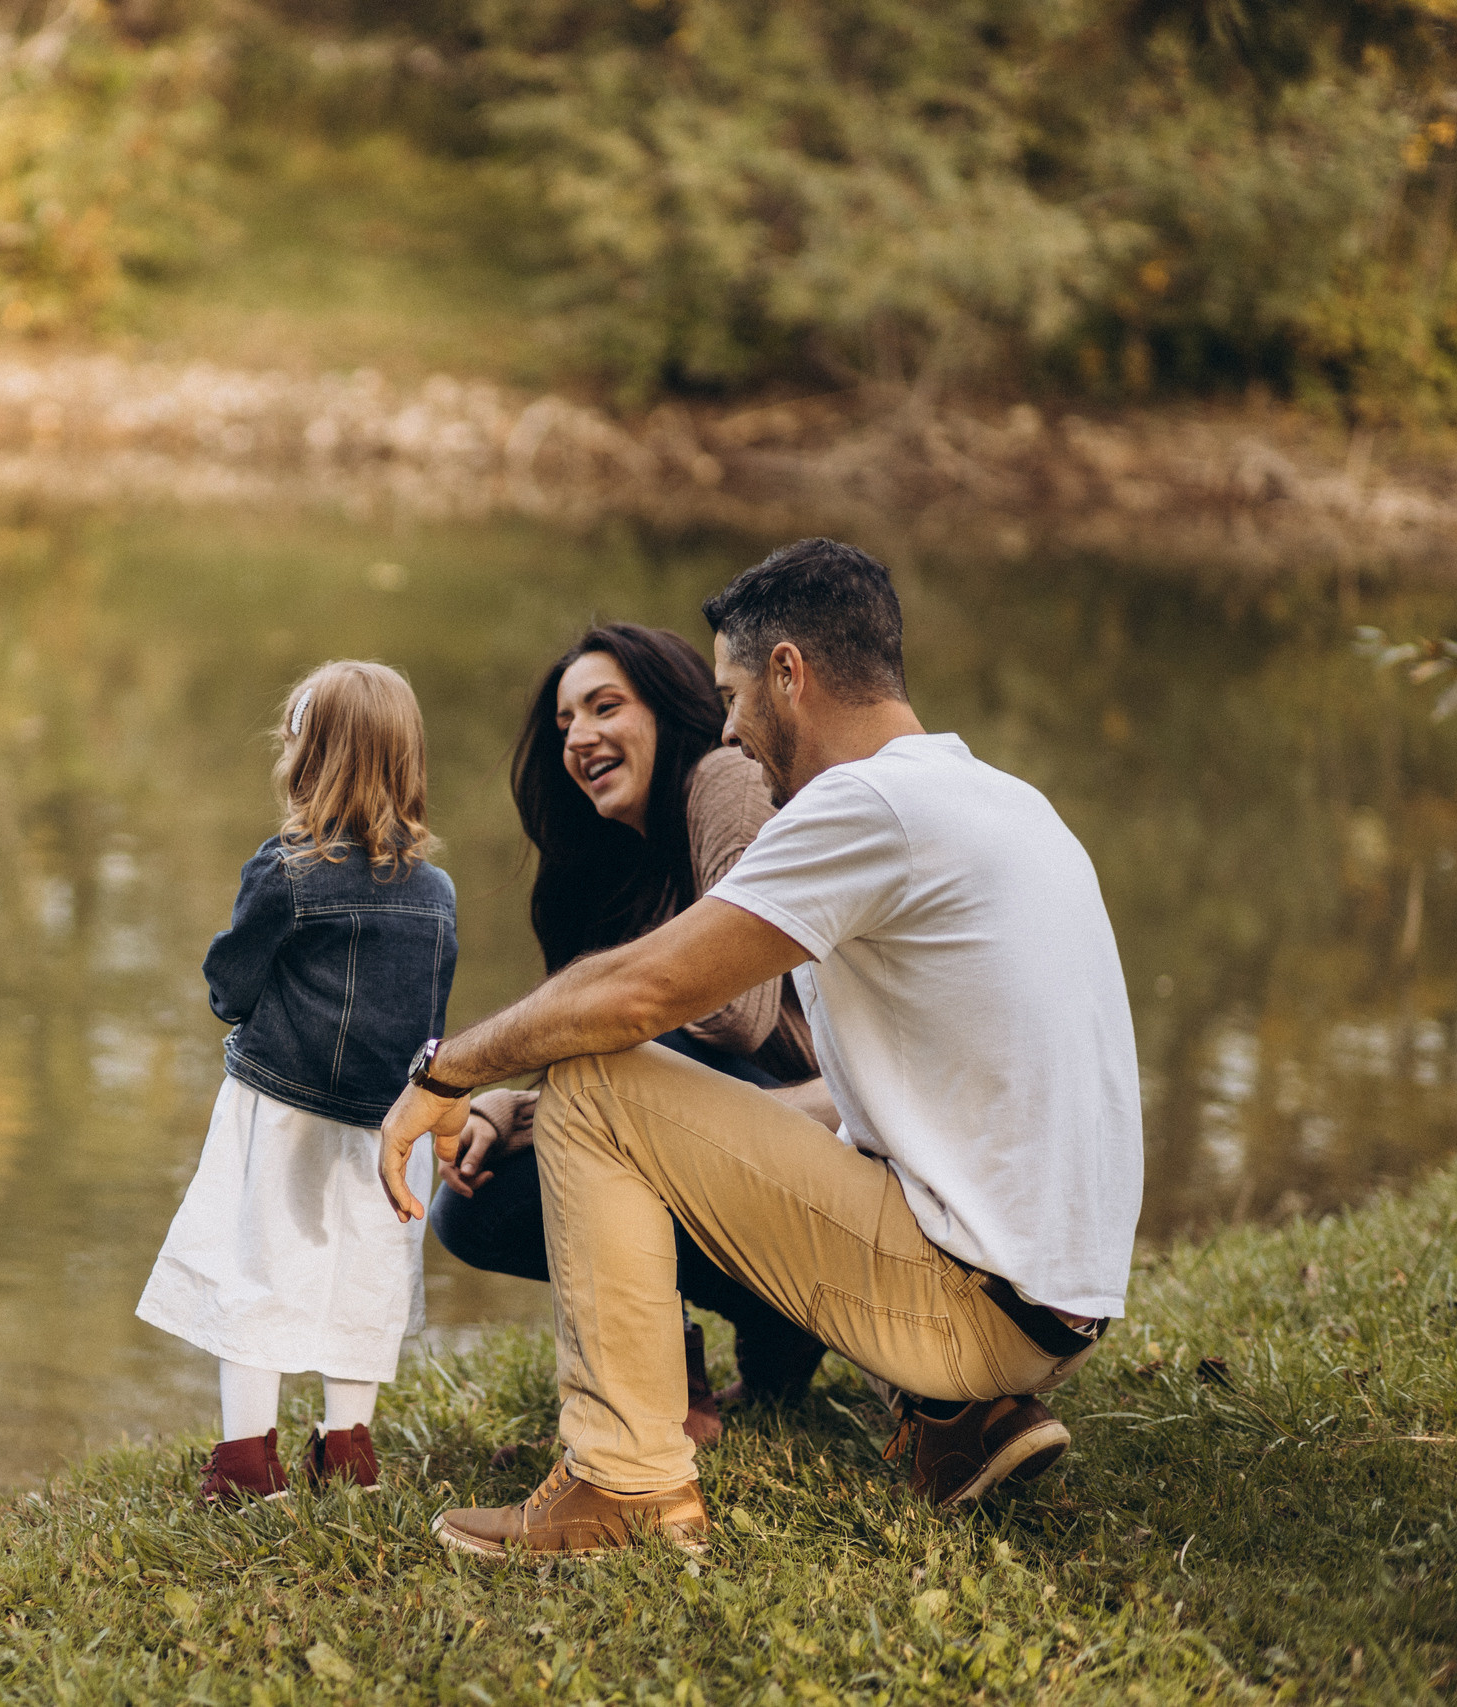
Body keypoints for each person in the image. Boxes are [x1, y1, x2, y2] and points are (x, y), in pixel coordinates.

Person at [378, 539, 1142, 1557]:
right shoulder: (1000, 798)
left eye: (733, 693)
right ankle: (951, 1420)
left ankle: (626, 1486)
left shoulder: (863, 803)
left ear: (789, 673)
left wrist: (451, 1069)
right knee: (612, 1090)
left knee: (595, 1077)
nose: (728, 728)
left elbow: (641, 992)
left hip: (970, 1309)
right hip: (1049, 1314)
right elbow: (871, 1096)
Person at [427, 624, 828, 1443]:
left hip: (819, 1135)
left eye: (605, 706)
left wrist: (535, 1104)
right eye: (565, 723)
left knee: (598, 1094)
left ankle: (776, 1313)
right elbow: (606, 1053)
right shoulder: (606, 870)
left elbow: (735, 1016)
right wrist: (516, 1101)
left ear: (668, 706)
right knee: (473, 1208)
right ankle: (686, 1367)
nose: (578, 736)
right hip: (709, 1135)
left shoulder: (725, 780)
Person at [137, 659, 458, 1504]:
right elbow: (432, 1018)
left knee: (256, 1272)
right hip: (388, 1127)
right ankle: (345, 1448)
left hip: (279, 1114)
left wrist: (238, 1004)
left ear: (307, 758)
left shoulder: (286, 870)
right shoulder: (437, 894)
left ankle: (245, 1461)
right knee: (367, 1278)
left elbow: (230, 982)